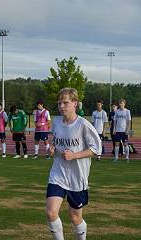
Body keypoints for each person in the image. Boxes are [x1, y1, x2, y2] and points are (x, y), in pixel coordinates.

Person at [46, 88, 101, 240]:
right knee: (51, 212)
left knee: (75, 217)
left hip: (78, 177)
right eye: (59, 103)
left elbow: (97, 149)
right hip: (58, 173)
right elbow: (56, 142)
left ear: (75, 103)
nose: (61, 106)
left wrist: (74, 155)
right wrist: (52, 149)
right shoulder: (56, 122)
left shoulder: (83, 124)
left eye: (65, 103)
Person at [113, 99, 131, 163]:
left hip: (124, 131)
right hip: (118, 130)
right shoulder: (117, 111)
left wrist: (127, 130)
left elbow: (128, 121)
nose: (120, 104)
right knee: (116, 144)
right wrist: (114, 129)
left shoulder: (127, 111)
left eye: (122, 103)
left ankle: (127, 158)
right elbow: (115, 121)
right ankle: (116, 158)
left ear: (124, 104)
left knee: (125, 144)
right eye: (120, 103)